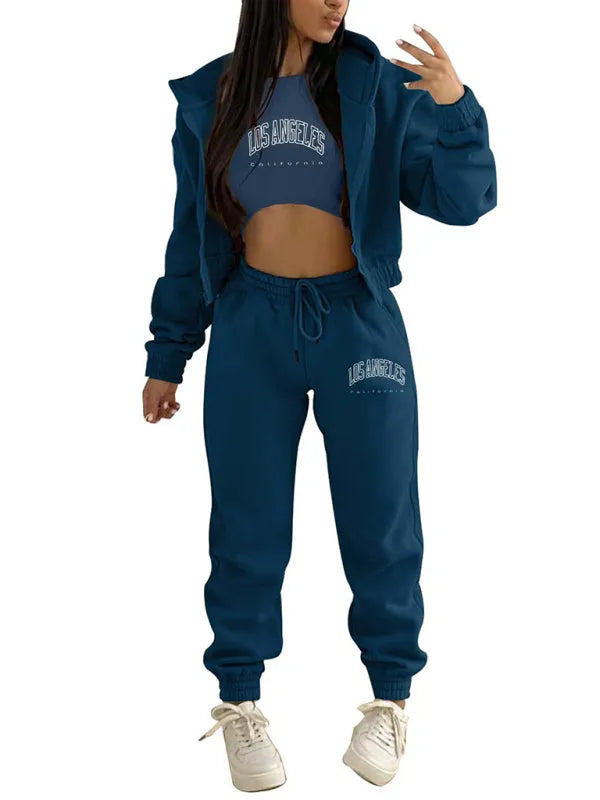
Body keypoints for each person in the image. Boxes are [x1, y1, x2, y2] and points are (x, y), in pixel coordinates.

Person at [142, 0, 496, 791]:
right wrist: (169, 352)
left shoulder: (376, 85)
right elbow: (189, 235)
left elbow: (462, 201)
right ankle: (240, 700)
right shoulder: (211, 98)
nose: (339, 0)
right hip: (250, 325)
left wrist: (455, 108)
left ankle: (390, 699)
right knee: (246, 521)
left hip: (357, 324)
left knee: (381, 515)